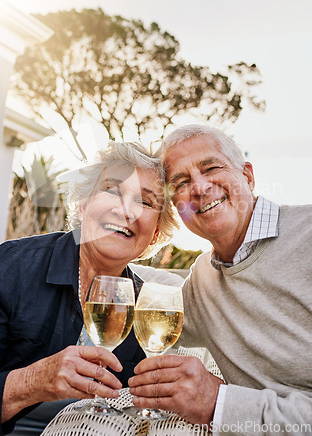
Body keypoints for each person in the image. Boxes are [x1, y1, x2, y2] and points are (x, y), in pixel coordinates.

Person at [0, 141, 178, 436]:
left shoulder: (145, 307)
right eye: (112, 189)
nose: (124, 209)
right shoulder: (14, 266)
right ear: (83, 206)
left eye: (145, 202)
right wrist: (33, 381)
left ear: (155, 235)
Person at [129, 124, 312, 435]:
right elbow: (145, 306)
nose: (199, 188)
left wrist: (220, 403)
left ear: (248, 176)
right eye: (182, 183)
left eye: (211, 167)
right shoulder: (202, 281)